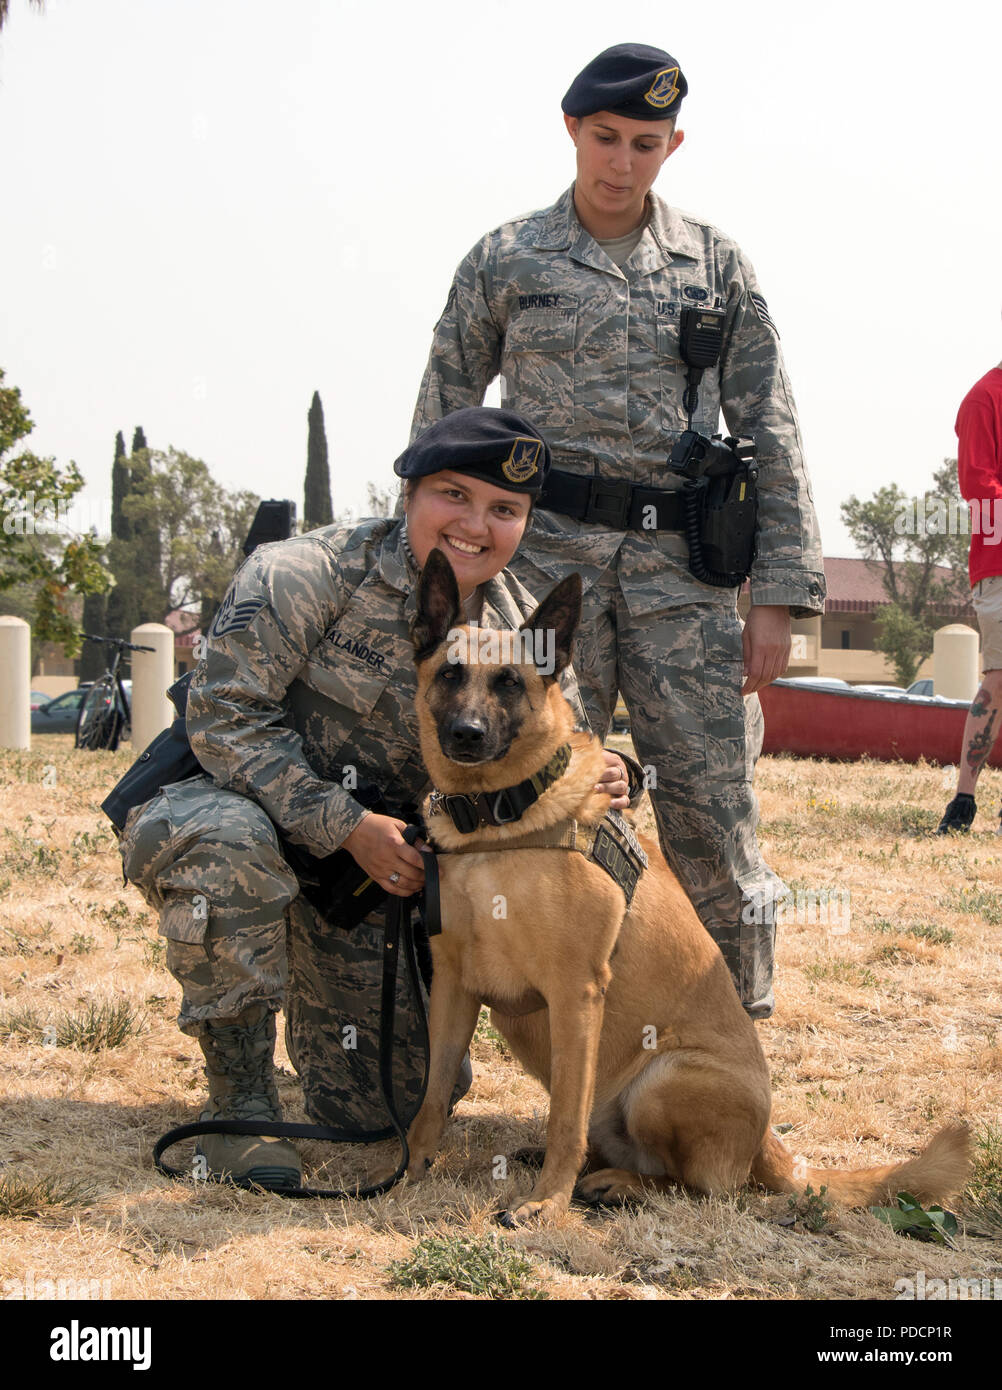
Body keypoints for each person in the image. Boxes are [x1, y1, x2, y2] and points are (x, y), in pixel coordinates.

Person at [411, 43, 826, 1019]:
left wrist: (780, 594)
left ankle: (735, 1036)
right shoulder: (507, 258)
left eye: (646, 143)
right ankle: (517, 1044)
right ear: (571, 130)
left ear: (674, 145)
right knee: (525, 801)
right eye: (605, 138)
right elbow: (443, 419)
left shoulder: (716, 267)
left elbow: (774, 428)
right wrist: (438, 563)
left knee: (713, 812)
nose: (622, 162)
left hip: (684, 575)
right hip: (541, 568)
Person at [116, 407, 633, 1189]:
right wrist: (345, 824)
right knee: (230, 846)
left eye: (504, 510)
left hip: (364, 880)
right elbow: (222, 718)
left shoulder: (515, 622)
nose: (474, 526)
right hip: (234, 813)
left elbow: (565, 740)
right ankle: (242, 1107)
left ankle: (322, 993)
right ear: (410, 492)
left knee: (380, 1112)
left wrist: (609, 767)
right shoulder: (305, 573)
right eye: (452, 495)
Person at [937, 353, 1002, 833]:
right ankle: (963, 803)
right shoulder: (984, 399)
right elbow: (979, 488)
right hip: (1000, 563)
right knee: (999, 678)